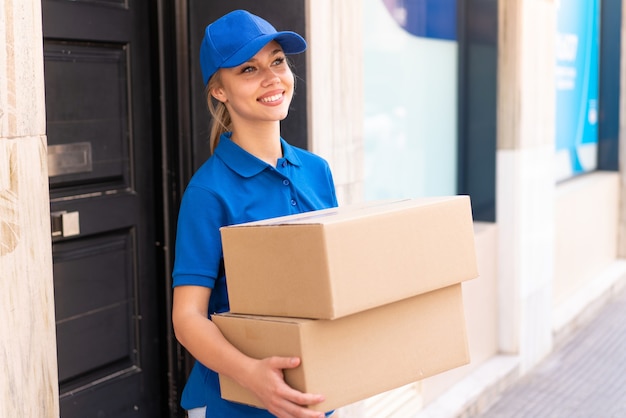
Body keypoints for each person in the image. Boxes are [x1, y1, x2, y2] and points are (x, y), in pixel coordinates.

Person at [171, 9, 338, 418]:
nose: (271, 78)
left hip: (314, 395)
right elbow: (188, 317)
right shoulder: (209, 191)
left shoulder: (317, 171)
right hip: (235, 403)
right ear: (220, 92)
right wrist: (252, 374)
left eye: (277, 60)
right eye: (249, 69)